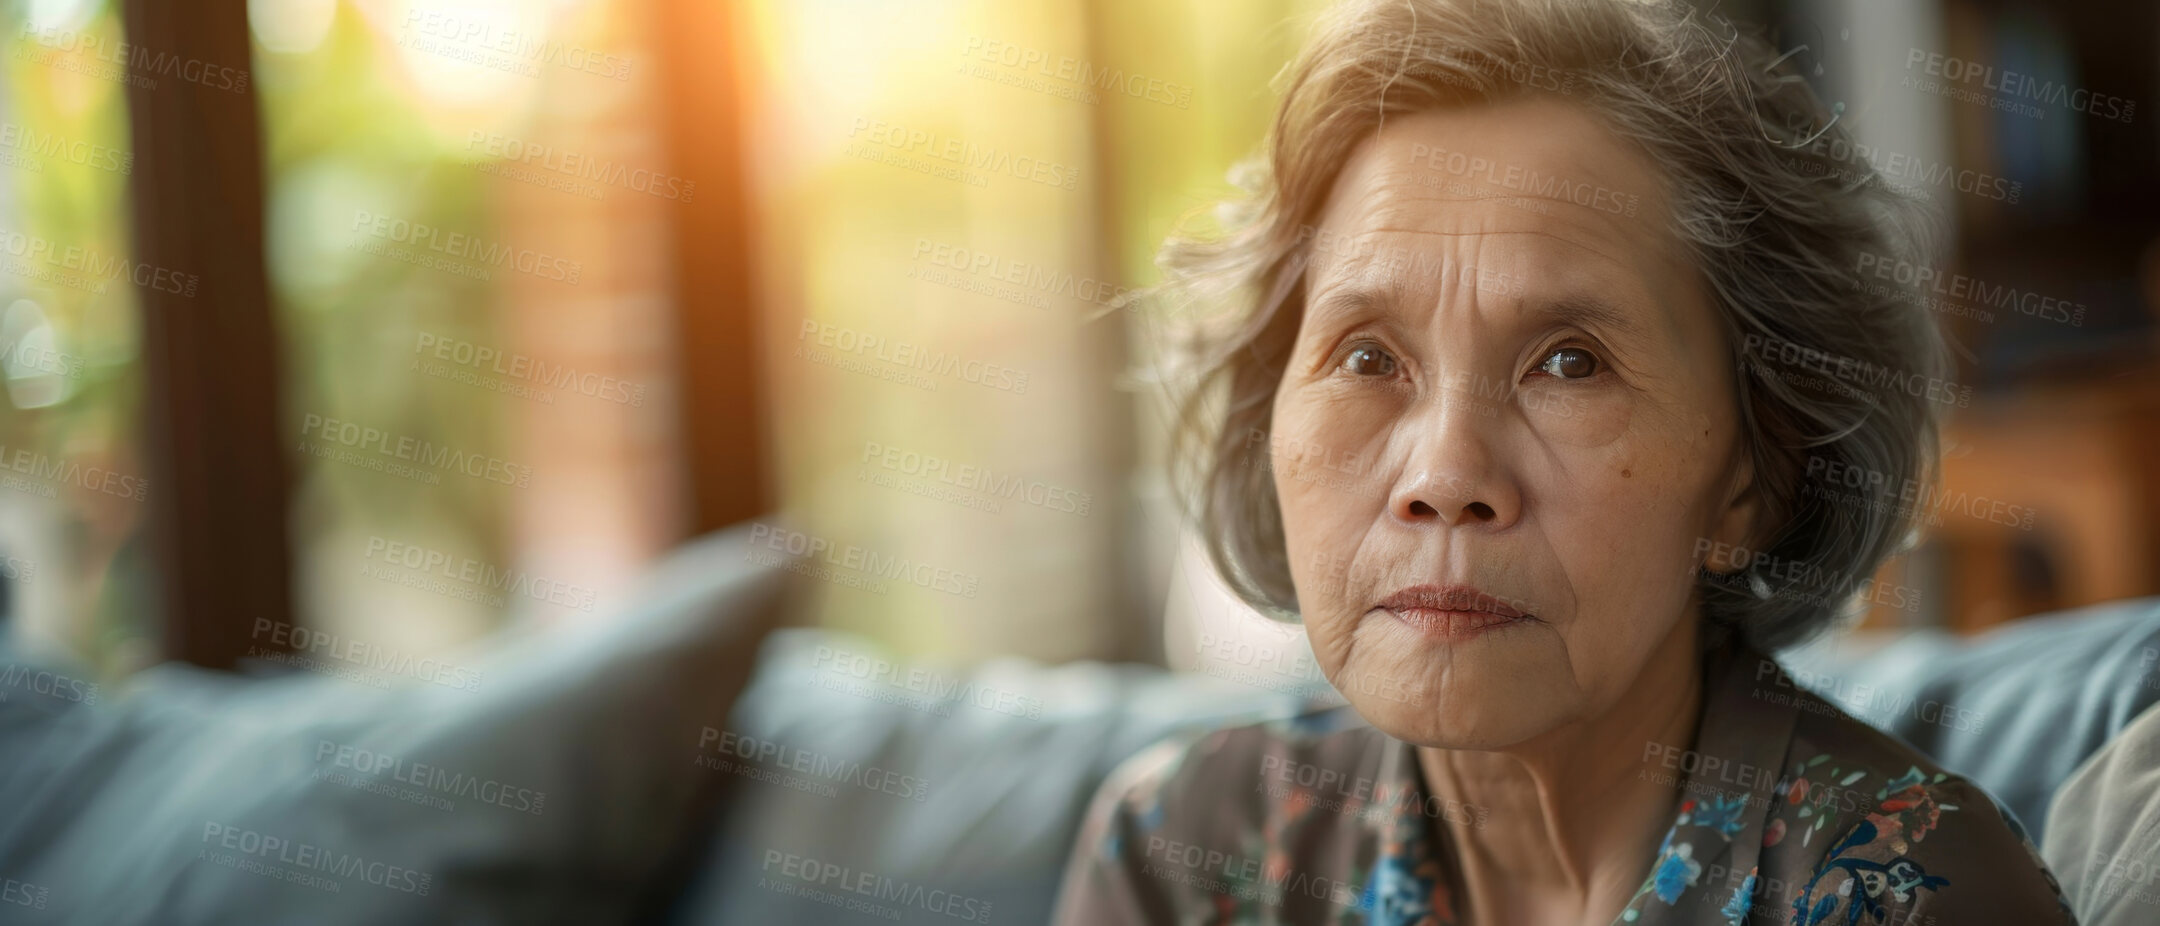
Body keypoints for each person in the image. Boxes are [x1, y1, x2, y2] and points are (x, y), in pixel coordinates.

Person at [1052, 0, 2076, 923]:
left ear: (1753, 478)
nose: (1445, 473)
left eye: (1569, 363)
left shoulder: (1905, 891)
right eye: (1368, 356)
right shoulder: (1181, 853)